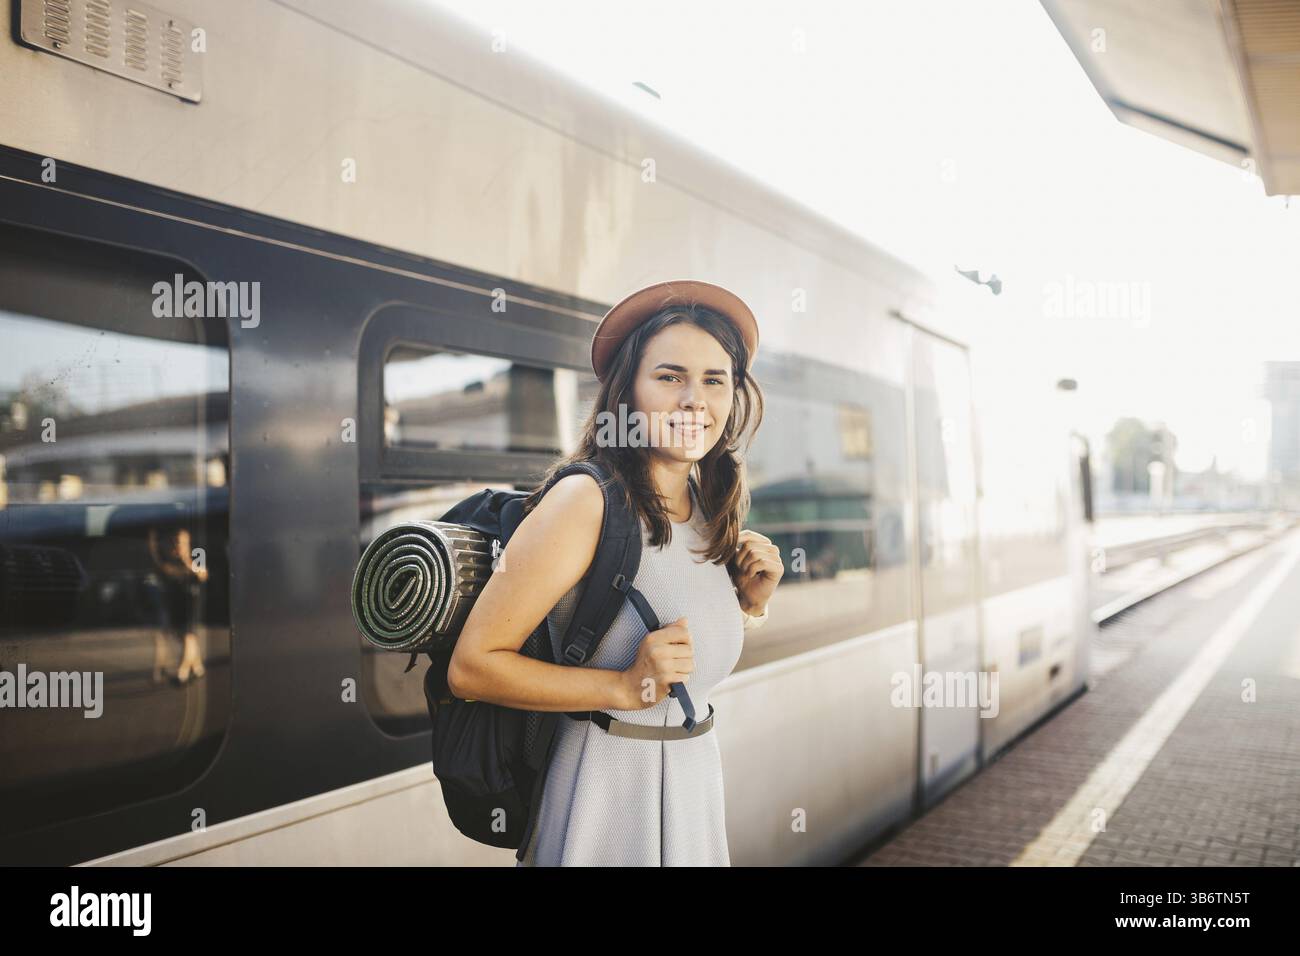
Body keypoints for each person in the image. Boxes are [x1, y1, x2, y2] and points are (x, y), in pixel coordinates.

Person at [447, 279, 784, 866]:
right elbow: (473, 667)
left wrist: (747, 605)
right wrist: (622, 687)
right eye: (669, 376)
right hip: (603, 805)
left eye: (714, 380)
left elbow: (682, 669)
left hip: (691, 792)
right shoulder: (587, 501)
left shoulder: (705, 509)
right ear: (625, 391)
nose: (694, 401)